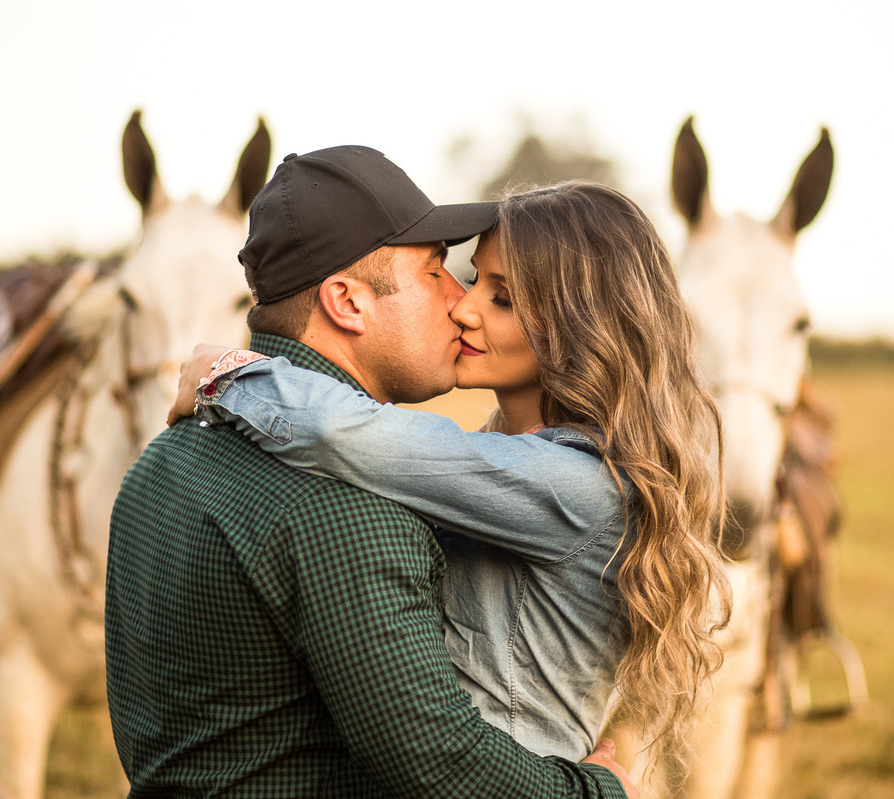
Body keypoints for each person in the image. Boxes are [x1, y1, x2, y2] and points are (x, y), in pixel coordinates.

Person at [105, 146, 636, 798]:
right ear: (348, 302)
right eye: (436, 272)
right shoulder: (352, 505)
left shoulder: (157, 463)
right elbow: (437, 759)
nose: (459, 303)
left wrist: (228, 376)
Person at [174, 180, 733, 790]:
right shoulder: (506, 461)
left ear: (583, 327)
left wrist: (228, 374)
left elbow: (348, 435)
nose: (464, 308)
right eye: (475, 280)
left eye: (503, 299)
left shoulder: (576, 484)